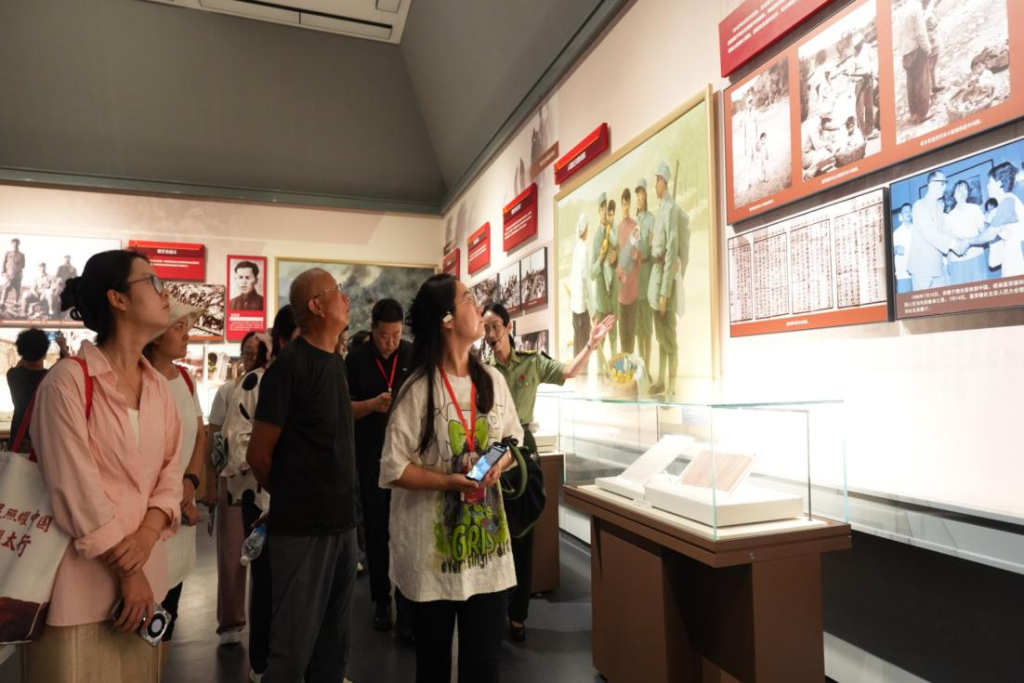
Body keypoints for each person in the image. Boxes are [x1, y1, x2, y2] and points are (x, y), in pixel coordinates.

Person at [24, 250, 182, 683]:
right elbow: (76, 489)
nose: (165, 293)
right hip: (80, 586)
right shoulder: (68, 382)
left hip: (148, 583)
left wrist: (147, 536)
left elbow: (170, 472)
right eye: (152, 281)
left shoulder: (158, 387)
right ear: (118, 298)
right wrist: (130, 571)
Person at [380, 274, 521, 683]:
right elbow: (394, 467)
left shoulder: (492, 381)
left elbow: (513, 439)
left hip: (487, 553)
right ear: (446, 319)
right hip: (431, 558)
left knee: (484, 667)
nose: (478, 307)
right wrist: (446, 482)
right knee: (433, 668)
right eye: (468, 299)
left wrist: (498, 464)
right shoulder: (418, 389)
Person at [246, 269, 357, 683]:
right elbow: (259, 455)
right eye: (337, 291)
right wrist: (292, 498)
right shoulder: (289, 367)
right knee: (292, 651)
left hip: (342, 525)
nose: (346, 298)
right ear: (316, 305)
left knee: (333, 646)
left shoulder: (335, 362)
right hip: (303, 530)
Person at [482, 302, 613, 643]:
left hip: (522, 448)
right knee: (491, 530)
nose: (490, 334)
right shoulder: (483, 370)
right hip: (492, 448)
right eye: (486, 328)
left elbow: (567, 371)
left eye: (495, 326)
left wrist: (591, 345)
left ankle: (517, 615)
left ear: (508, 327)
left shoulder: (531, 362)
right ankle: (492, 608)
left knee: (523, 534)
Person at [142, 298, 210, 667]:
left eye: (187, 328)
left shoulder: (184, 378)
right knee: (140, 604)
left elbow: (199, 435)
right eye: (179, 328)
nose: (186, 336)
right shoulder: (138, 378)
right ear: (155, 335)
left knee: (169, 607)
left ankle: (156, 672)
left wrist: (191, 483)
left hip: (182, 508)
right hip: (147, 513)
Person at [347, 298, 414, 637]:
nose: (391, 342)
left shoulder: (412, 354)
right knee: (375, 532)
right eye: (385, 336)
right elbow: (344, 408)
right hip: (371, 456)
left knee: (404, 530)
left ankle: (406, 603)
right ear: (372, 330)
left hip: (407, 458)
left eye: (396, 335)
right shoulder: (356, 359)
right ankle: (381, 601)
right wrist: (371, 405)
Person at [208, 333, 270, 648]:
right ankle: (231, 621)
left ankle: (264, 625)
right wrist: (210, 485)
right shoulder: (230, 390)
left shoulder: (270, 386)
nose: (251, 357)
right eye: (246, 352)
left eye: (257, 352)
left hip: (266, 485)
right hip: (234, 482)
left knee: (265, 559)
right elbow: (216, 438)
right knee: (232, 554)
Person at [648, 162, 685, 395]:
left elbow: (671, 252)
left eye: (657, 181)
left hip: (665, 282)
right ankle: (661, 381)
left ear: (663, 181)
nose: (655, 186)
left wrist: (664, 294)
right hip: (656, 278)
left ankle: (671, 387)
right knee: (661, 339)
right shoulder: (662, 207)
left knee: (669, 340)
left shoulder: (670, 208)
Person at [7, 328, 68, 443]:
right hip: (42, 436)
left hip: (18, 436)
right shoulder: (51, 377)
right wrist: (63, 348)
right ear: (45, 354)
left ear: (21, 352)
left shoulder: (12, 374)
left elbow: (21, 364)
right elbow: (68, 367)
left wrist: (28, 346)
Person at [909, 171, 967, 290]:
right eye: (942, 183)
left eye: (945, 183)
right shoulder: (919, 206)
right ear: (931, 184)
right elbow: (929, 233)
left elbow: (944, 231)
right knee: (922, 301)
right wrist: (954, 245)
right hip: (922, 268)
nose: (945, 187)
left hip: (937, 267)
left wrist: (959, 240)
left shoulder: (938, 207)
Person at [972, 162, 1024, 277]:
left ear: (999, 184)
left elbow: (989, 235)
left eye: (990, 182)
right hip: (1012, 253)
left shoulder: (1007, 202)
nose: (987, 186)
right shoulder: (1006, 201)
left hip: (1018, 256)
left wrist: (969, 242)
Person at [590, 193, 617, 367]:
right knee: (601, 342)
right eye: (602, 210)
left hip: (612, 298)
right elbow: (592, 274)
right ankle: (600, 377)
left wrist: (617, 257)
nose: (605, 214)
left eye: (607, 210)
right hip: (601, 301)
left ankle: (614, 373)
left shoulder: (612, 234)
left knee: (614, 340)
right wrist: (600, 259)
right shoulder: (596, 239)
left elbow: (620, 259)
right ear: (599, 212)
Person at [944, 180, 987, 285]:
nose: (962, 193)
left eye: (965, 190)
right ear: (954, 195)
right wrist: (949, 261)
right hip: (957, 260)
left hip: (976, 255)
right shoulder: (949, 216)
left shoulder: (975, 209)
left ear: (968, 193)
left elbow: (983, 232)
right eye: (959, 190)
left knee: (980, 288)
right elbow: (948, 242)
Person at [633, 178, 656, 369]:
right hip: (635, 283)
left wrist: (643, 251)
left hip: (647, 278)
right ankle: (641, 366)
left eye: (641, 194)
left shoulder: (651, 219)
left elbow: (651, 248)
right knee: (638, 330)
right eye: (637, 195)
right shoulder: (634, 222)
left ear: (646, 195)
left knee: (647, 330)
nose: (638, 198)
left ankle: (647, 367)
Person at [899, 0, 933, 125]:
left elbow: (900, 34)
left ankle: (914, 114)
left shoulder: (901, 10)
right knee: (922, 82)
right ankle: (923, 113)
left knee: (911, 84)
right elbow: (920, 33)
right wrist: (927, 48)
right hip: (915, 49)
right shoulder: (916, 7)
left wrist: (903, 51)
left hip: (906, 51)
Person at [615, 188, 640, 355]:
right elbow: (617, 259)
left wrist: (637, 257)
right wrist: (619, 274)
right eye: (623, 204)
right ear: (621, 205)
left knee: (632, 334)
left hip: (633, 289)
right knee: (622, 334)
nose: (625, 207)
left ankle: (630, 366)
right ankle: (624, 364)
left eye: (627, 204)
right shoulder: (618, 228)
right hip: (621, 292)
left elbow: (639, 256)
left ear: (630, 204)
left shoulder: (635, 227)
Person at [844, 33, 877, 139]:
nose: (858, 46)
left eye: (860, 43)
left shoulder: (867, 49)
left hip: (869, 81)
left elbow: (872, 62)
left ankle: (869, 131)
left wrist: (872, 73)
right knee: (860, 110)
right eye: (856, 45)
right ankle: (862, 134)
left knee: (869, 107)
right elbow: (850, 76)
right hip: (860, 85)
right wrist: (860, 77)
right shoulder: (852, 58)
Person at [568, 213, 591, 358]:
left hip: (575, 310)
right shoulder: (584, 250)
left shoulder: (577, 249)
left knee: (577, 353)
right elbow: (586, 280)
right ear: (586, 229)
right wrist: (592, 310)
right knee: (583, 355)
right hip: (582, 311)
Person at [893, 203, 915, 293]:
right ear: (901, 215)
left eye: (910, 211)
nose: (908, 213)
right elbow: (891, 250)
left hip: (917, 273)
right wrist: (896, 249)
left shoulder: (917, 230)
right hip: (903, 274)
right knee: (904, 299)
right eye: (905, 212)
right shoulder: (897, 233)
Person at [1, 238, 25, 308]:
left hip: (18, 274)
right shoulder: (7, 253)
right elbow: (4, 262)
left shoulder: (22, 255)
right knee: (6, 287)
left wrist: (17, 269)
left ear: (19, 244)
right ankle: (2, 302)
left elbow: (23, 265)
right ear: (12, 244)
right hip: (9, 273)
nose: (15, 245)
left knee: (17, 288)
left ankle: (16, 302)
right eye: (14, 243)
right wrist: (3, 271)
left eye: (17, 243)